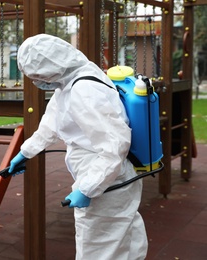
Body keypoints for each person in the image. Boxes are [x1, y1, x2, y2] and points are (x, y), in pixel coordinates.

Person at [8, 34, 148, 259]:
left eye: (36, 76)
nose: (36, 82)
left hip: (107, 183)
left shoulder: (84, 90)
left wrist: (88, 188)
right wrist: (26, 152)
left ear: (51, 67)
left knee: (99, 248)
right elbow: (52, 123)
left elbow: (115, 145)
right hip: (108, 177)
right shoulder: (71, 81)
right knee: (126, 242)